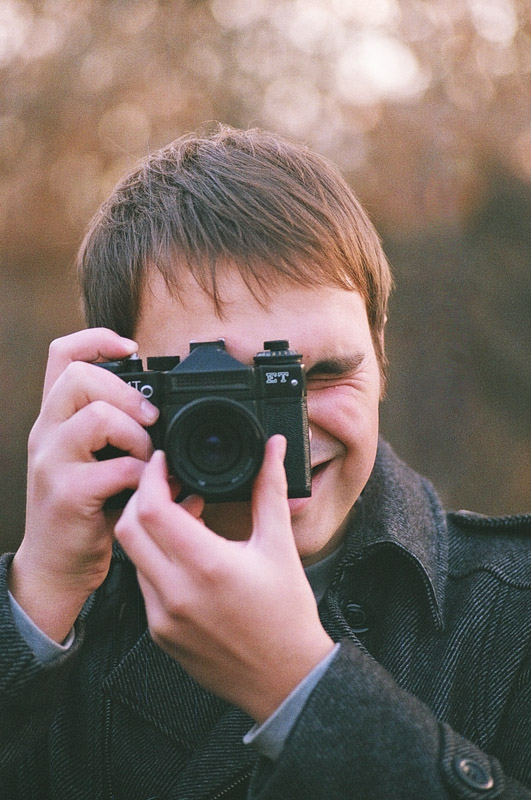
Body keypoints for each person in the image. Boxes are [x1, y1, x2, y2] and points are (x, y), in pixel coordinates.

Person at [1, 125, 529, 800]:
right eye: (221, 389)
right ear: (120, 386)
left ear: (380, 355)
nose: (283, 437)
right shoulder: (65, 613)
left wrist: (302, 686)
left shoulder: (512, 615)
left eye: (324, 374)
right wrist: (37, 599)